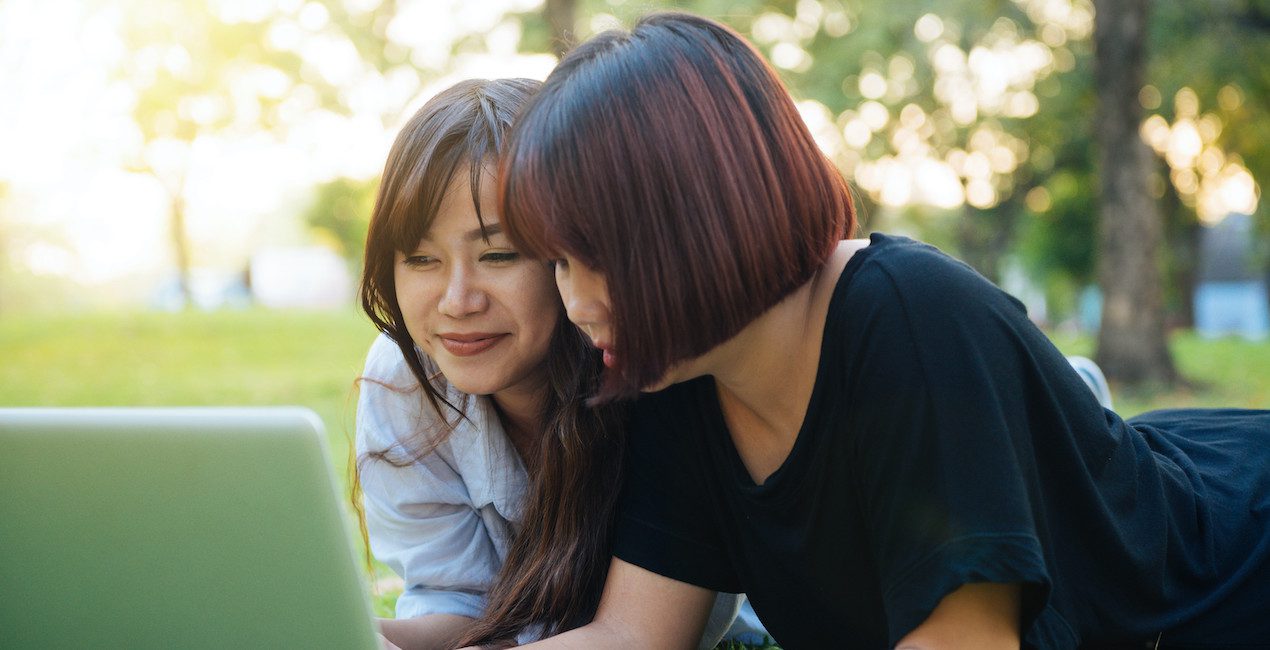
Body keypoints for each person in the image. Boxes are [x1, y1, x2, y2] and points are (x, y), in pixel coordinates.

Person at [495, 12, 1270, 649]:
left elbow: (962, 644)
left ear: (692, 220)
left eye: (590, 257)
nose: (574, 302)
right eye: (557, 264)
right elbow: (632, 637)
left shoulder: (908, 316)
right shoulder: (677, 373)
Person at [354, 77, 766, 650]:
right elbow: (461, 606)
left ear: (571, 253)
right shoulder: (405, 377)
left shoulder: (659, 376)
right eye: (421, 258)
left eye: (497, 254)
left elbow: (647, 636)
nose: (457, 301)